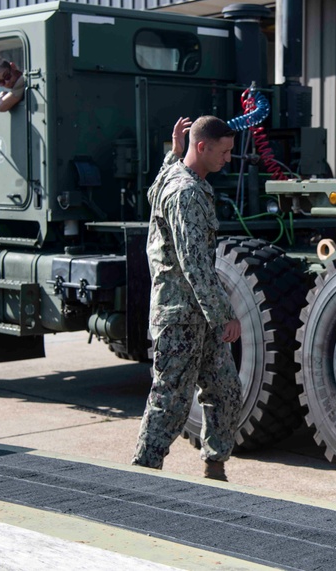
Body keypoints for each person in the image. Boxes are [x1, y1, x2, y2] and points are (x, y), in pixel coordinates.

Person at [132, 115, 242, 481]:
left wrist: (172, 153)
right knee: (170, 401)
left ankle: (215, 466)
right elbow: (195, 264)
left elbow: (153, 190)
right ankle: (143, 474)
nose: (228, 158)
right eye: (223, 151)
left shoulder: (180, 177)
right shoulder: (187, 193)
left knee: (225, 389)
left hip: (199, 315)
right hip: (180, 314)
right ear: (202, 147)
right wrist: (224, 314)